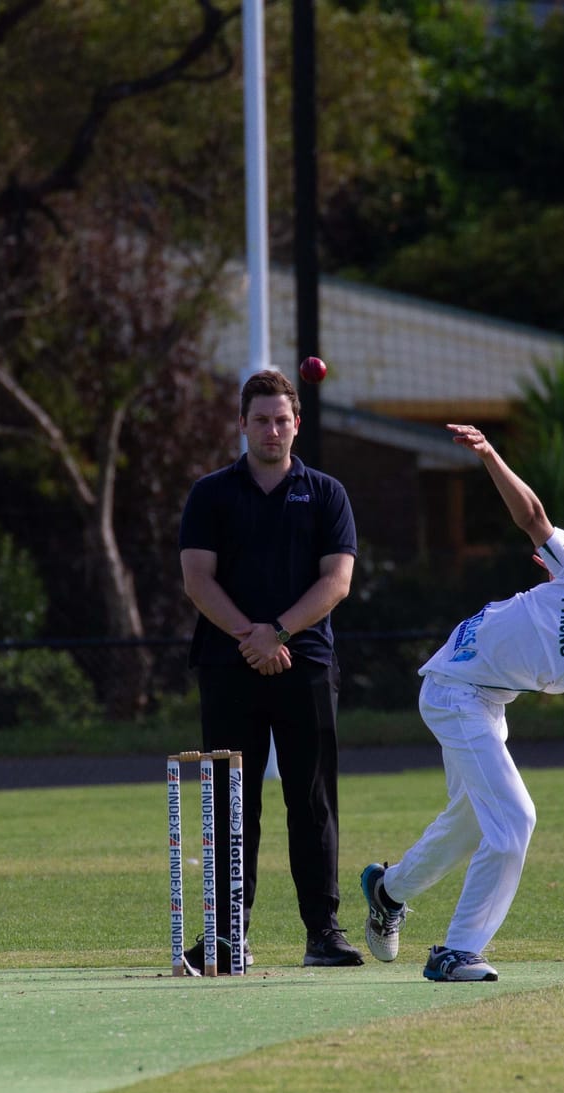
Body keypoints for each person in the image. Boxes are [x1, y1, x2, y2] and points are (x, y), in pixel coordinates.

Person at [358, 424, 564, 982]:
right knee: (516, 818)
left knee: (475, 823)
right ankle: (457, 951)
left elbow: (550, 622)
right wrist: (489, 454)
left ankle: (388, 889)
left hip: (482, 700)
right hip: (454, 689)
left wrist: (555, 579)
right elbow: (533, 520)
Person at [178, 369, 360, 969]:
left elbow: (336, 581)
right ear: (242, 423)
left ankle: (323, 934)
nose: (272, 430)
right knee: (233, 803)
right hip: (228, 665)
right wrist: (249, 636)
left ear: (297, 423)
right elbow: (197, 578)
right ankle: (231, 936)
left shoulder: (328, 493)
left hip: (303, 662)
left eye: (282, 419)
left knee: (311, 801)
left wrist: (278, 632)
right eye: (261, 419)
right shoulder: (210, 493)